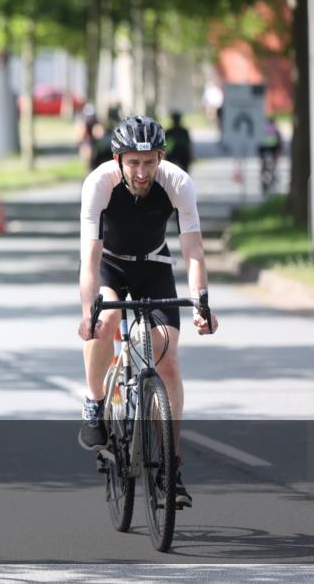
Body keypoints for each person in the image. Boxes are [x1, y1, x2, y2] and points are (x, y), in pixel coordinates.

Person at [76, 115, 219, 508]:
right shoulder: (99, 184)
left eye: (150, 162)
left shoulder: (178, 182)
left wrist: (201, 301)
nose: (142, 172)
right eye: (133, 163)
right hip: (110, 265)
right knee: (104, 323)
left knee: (168, 364)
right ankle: (93, 401)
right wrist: (88, 310)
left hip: (154, 266)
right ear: (118, 159)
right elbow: (89, 261)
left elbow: (193, 250)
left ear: (160, 158)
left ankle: (172, 469)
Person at [75, 104, 102, 169]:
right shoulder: (82, 121)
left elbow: (98, 131)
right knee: (86, 149)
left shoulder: (95, 120)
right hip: (86, 139)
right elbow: (80, 133)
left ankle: (91, 164)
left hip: (92, 139)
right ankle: (88, 165)